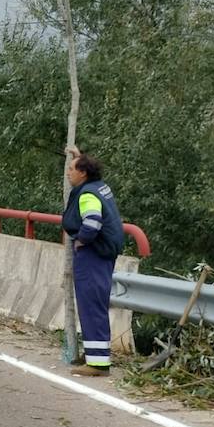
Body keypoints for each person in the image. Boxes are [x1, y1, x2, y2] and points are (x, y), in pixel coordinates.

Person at [62, 150, 126, 377]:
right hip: (103, 253)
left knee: (91, 306)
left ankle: (98, 364)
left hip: (93, 253)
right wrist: (79, 156)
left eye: (71, 169)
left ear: (83, 173)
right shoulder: (98, 186)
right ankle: (93, 355)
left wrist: (81, 240)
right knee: (92, 304)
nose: (68, 173)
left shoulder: (87, 194)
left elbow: (92, 222)